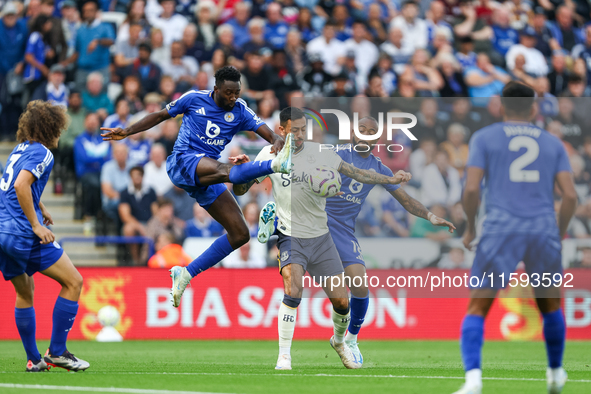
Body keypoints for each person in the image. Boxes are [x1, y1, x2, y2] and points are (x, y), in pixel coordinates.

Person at [234, 107, 413, 371]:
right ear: (281, 130)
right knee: (293, 290)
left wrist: (389, 178)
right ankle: (284, 356)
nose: (300, 135)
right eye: (294, 130)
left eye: (303, 130)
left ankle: (340, 342)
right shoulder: (268, 153)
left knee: (342, 302)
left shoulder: (320, 153)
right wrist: (241, 172)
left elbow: (358, 173)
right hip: (291, 235)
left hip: (321, 235)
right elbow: (240, 189)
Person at [101, 66, 292, 308]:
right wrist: (127, 131)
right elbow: (160, 116)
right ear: (216, 90)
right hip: (184, 161)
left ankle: (186, 274)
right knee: (227, 171)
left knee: (241, 233)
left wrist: (277, 140)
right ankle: (273, 166)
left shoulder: (241, 110)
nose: (233, 98)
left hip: (206, 173)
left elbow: (270, 134)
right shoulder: (194, 99)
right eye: (229, 93)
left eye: (237, 92)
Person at [456, 82, 577, 394]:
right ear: (534, 108)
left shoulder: (484, 137)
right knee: (551, 306)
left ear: (500, 106)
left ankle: (473, 381)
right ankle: (554, 374)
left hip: (500, 229)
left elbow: (471, 189)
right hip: (542, 230)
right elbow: (571, 197)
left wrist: (470, 226)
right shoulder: (553, 143)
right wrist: (560, 231)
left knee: (477, 308)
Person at [322, 116, 455, 366]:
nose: (366, 134)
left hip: (342, 231)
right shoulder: (335, 153)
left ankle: (350, 339)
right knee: (293, 285)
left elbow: (405, 200)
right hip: (315, 222)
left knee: (360, 287)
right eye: (362, 129)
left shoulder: (381, 168)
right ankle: (284, 353)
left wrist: (429, 215)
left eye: (371, 132)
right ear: (353, 131)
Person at [0, 101, 89, 372]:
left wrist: (40, 205)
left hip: (2, 231)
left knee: (25, 292)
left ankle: (34, 359)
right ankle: (58, 352)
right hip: (21, 232)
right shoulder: (43, 153)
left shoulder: (19, 149)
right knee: (74, 282)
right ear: (52, 127)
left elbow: (13, 184)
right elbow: (20, 184)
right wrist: (36, 225)